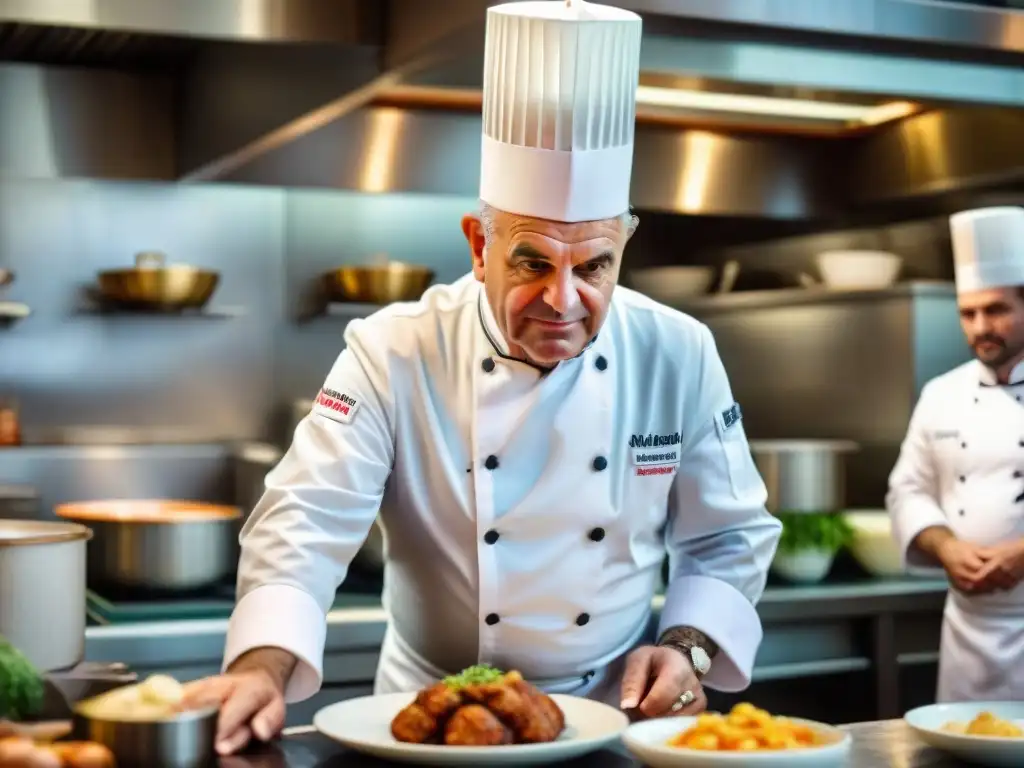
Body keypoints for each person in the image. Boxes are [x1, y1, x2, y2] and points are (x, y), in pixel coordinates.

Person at [184, 0, 781, 755]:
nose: (565, 300)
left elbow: (728, 536)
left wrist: (689, 646)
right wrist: (262, 666)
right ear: (478, 244)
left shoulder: (678, 351)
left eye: (593, 265)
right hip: (430, 719)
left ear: (623, 246)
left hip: (618, 716)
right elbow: (306, 518)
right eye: (533, 262)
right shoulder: (392, 350)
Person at [888, 205, 1024, 702]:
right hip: (968, 632)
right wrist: (946, 546)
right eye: (969, 313)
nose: (980, 326)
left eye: (997, 310)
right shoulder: (941, 394)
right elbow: (907, 490)